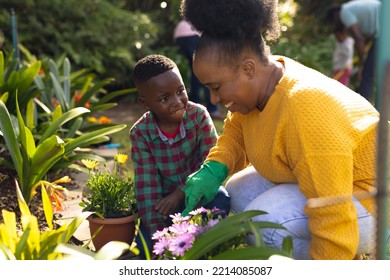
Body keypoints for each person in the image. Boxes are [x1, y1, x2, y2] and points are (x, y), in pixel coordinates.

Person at [180, 0, 387, 260]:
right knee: (239, 192)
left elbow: (332, 210)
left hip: (373, 199)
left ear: (248, 68)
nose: (212, 99)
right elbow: (237, 131)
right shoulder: (266, 77)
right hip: (329, 178)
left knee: (263, 227)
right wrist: (215, 168)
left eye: (217, 87)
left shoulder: (306, 110)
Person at [130, 54, 230, 258]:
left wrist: (181, 193)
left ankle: (201, 244)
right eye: (164, 98)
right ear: (145, 102)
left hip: (199, 196)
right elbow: (147, 188)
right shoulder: (140, 133)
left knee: (221, 198)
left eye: (180, 91)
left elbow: (210, 164)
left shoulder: (199, 116)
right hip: (164, 207)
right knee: (145, 252)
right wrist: (159, 234)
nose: (177, 102)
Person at [326, 0, 381, 102]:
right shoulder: (351, 8)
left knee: (367, 74)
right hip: (382, 30)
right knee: (374, 70)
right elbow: (365, 39)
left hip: (384, 32)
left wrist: (361, 66)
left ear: (335, 16)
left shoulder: (344, 12)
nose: (336, 24)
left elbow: (359, 38)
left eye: (334, 22)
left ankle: (363, 108)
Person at [173, 19, 225, 120]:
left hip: (179, 34)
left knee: (195, 71)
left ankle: (194, 109)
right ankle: (212, 110)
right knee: (205, 71)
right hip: (191, 34)